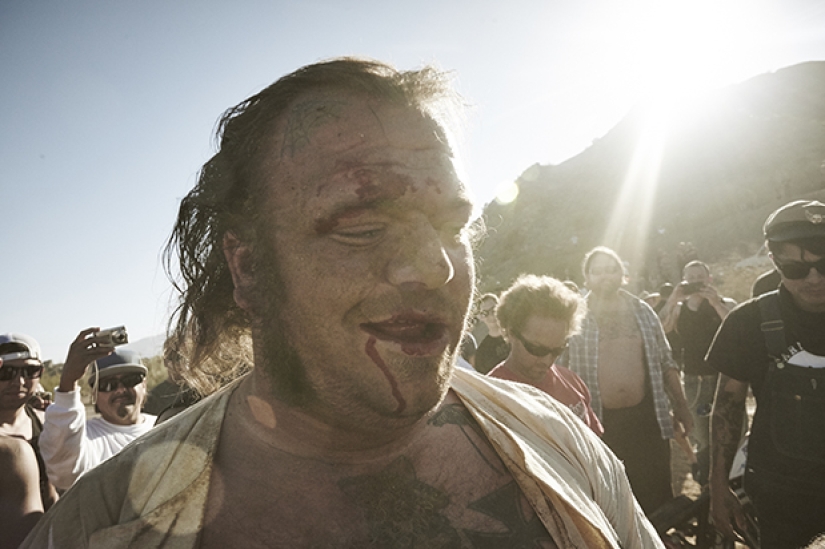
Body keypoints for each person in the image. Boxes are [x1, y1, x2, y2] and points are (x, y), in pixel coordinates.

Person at [23, 58, 661, 548]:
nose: (435, 268)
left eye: (450, 226)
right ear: (247, 265)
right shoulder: (108, 521)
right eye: (360, 226)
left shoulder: (557, 444)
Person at [708, 200, 825, 547]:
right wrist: (718, 485)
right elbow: (727, 407)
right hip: (781, 498)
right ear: (774, 262)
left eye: (824, 264)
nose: (815, 279)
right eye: (796, 269)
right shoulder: (747, 323)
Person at [559, 246, 693, 515]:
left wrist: (681, 405)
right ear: (586, 278)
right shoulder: (574, 316)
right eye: (597, 271)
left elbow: (666, 361)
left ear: (624, 275)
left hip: (647, 421)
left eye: (612, 269)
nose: (605, 276)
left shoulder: (642, 311)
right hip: (598, 426)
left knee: (657, 501)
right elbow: (559, 370)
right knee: (612, 506)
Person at [38, 329, 156, 491]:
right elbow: (65, 475)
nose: (120, 390)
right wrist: (68, 382)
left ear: (144, 385)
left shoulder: (166, 425)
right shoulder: (85, 438)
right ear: (94, 394)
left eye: (130, 380)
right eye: (108, 385)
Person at [488, 275, 603, 435]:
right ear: (511, 332)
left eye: (557, 350)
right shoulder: (492, 397)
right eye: (537, 349)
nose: (547, 361)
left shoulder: (572, 381)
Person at [658, 261, 736, 485]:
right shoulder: (679, 309)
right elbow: (660, 328)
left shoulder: (724, 303)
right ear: (683, 280)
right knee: (701, 434)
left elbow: (737, 326)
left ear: (708, 279)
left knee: (730, 430)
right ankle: (707, 483)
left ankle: (733, 480)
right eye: (690, 277)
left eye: (699, 276)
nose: (694, 281)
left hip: (724, 376)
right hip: (694, 380)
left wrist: (715, 301)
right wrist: (672, 300)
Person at [0, 334, 58, 514]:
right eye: (6, 373)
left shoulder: (45, 423)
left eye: (30, 371)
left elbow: (50, 495)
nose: (19, 381)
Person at [473, 293, 510, 374]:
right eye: (485, 313)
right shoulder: (482, 353)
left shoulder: (517, 335)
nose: (491, 316)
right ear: (481, 317)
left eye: (493, 310)